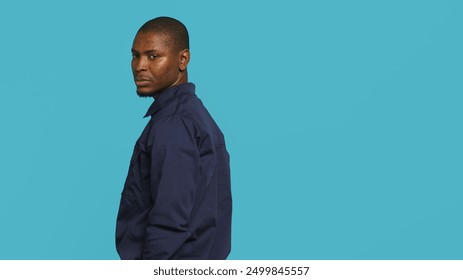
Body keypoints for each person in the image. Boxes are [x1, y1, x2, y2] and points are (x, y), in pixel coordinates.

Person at [115, 17, 232, 260]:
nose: (140, 66)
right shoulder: (195, 116)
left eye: (153, 56)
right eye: (135, 56)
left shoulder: (174, 124)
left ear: (183, 59)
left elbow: (170, 220)